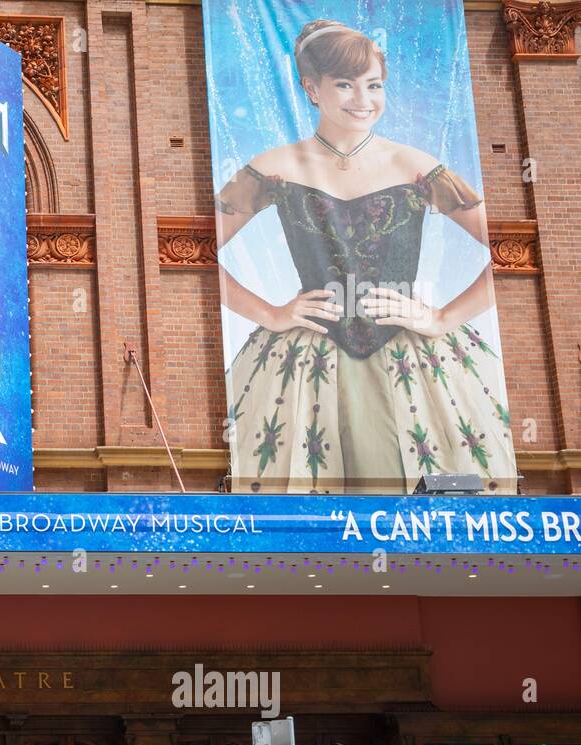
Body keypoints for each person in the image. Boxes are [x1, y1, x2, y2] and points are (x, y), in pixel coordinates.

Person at [215, 19, 513, 494]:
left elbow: (510, 252)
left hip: (412, 350)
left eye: (373, 84)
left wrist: (441, 317)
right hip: (308, 351)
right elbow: (190, 257)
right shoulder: (272, 168)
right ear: (312, 89)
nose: (362, 98)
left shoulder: (416, 167)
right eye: (345, 84)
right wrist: (270, 313)